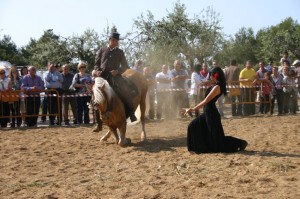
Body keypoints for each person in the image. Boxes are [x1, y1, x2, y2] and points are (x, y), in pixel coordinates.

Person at [185, 67, 248, 153]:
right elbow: (207, 82)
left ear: (215, 76)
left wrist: (193, 108)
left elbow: (206, 100)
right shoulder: (215, 85)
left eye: (211, 75)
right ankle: (199, 147)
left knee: (218, 139)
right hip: (208, 112)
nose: (209, 77)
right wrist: (203, 83)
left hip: (211, 113)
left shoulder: (217, 87)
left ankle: (241, 143)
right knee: (193, 126)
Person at [92, 32, 137, 132]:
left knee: (125, 91)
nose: (114, 42)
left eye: (116, 41)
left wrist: (117, 71)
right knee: (95, 96)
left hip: (115, 77)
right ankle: (98, 123)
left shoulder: (120, 52)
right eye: (113, 40)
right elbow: (96, 64)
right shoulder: (102, 50)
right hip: (102, 76)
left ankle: (131, 113)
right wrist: (97, 70)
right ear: (109, 40)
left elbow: (125, 66)